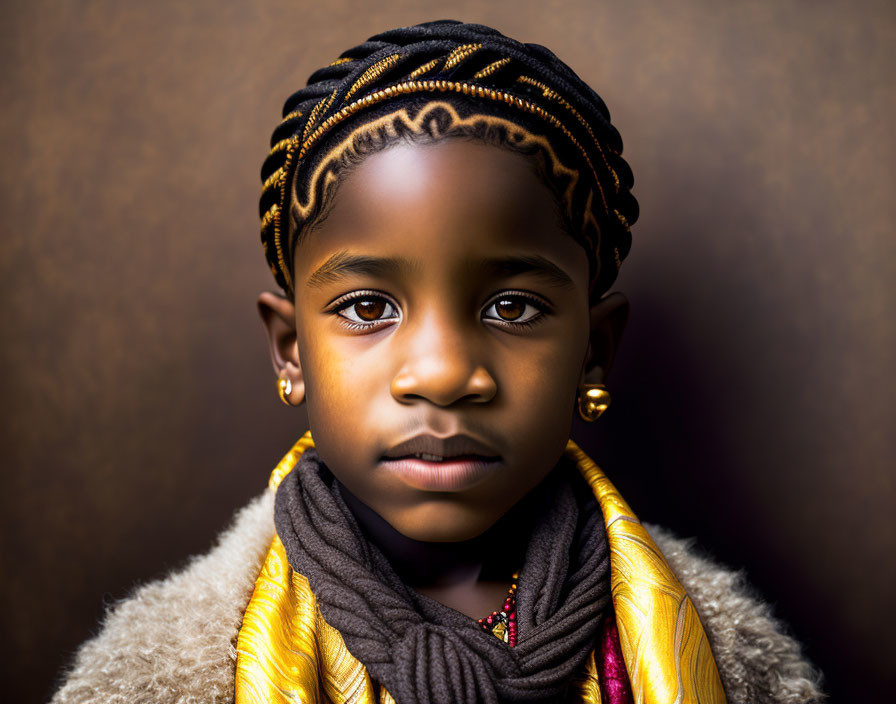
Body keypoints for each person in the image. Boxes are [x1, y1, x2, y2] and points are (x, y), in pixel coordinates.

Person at [51, 20, 824, 704]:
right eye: (367, 307)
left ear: (594, 352)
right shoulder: (161, 672)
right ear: (291, 351)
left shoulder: (731, 657)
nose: (444, 372)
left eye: (512, 307)